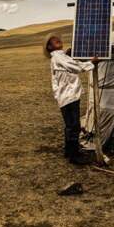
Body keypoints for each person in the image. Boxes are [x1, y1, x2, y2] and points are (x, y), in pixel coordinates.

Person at [43, 32, 97, 164]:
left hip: (68, 95)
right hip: (68, 96)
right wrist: (92, 63)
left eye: (58, 40)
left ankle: (69, 151)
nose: (59, 41)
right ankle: (75, 156)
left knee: (70, 125)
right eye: (55, 42)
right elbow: (74, 67)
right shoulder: (58, 57)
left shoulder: (61, 56)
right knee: (74, 126)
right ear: (49, 47)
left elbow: (72, 62)